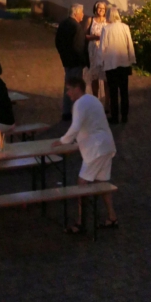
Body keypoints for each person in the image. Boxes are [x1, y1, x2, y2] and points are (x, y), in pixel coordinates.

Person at [57, 69, 118, 232]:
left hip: (96, 149)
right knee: (102, 182)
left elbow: (75, 127)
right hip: (106, 145)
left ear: (77, 88)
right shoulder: (93, 100)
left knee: (82, 183)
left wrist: (62, 142)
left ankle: (80, 222)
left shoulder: (79, 103)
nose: (67, 93)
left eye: (69, 89)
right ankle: (112, 216)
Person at [98, 7, 136, 124]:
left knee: (113, 92)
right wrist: (131, 59)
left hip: (111, 64)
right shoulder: (125, 27)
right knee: (124, 91)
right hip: (124, 63)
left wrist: (100, 61)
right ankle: (124, 116)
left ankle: (115, 117)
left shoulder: (106, 29)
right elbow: (129, 43)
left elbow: (102, 47)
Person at [55, 3, 88, 121]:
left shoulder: (63, 24)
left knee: (68, 85)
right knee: (75, 87)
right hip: (75, 62)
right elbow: (79, 46)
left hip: (67, 61)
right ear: (76, 13)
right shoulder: (77, 27)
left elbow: (57, 42)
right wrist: (83, 61)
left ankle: (66, 111)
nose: (83, 15)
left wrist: (63, 56)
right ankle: (74, 111)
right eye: (82, 12)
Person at [85, 1, 109, 112]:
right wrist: (93, 37)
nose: (101, 10)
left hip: (104, 51)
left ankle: (107, 103)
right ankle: (95, 101)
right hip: (93, 50)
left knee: (105, 77)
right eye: (99, 8)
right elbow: (85, 35)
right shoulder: (91, 20)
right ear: (95, 8)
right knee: (94, 76)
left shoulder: (107, 22)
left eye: (103, 9)